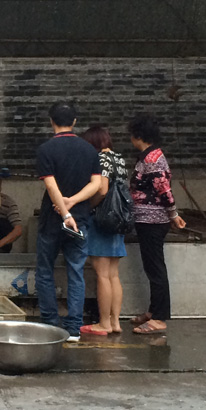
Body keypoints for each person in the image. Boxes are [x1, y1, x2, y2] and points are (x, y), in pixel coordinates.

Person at [35, 102, 101, 338]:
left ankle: (51, 325)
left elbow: (51, 185)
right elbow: (96, 185)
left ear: (51, 120)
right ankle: (73, 329)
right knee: (76, 272)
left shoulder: (46, 150)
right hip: (81, 220)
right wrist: (73, 202)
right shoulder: (89, 150)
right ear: (74, 122)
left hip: (52, 222)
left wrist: (64, 211)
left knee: (45, 271)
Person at [128, 114, 186, 335]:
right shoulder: (148, 157)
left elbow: (164, 190)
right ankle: (154, 310)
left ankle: (160, 318)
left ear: (138, 136)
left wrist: (173, 215)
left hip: (153, 221)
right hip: (146, 219)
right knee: (152, 267)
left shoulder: (153, 159)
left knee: (156, 269)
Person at [79, 125, 128, 336]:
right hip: (118, 220)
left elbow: (102, 189)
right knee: (114, 274)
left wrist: (89, 205)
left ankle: (103, 323)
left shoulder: (101, 159)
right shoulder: (119, 159)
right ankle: (115, 322)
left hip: (101, 220)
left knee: (102, 274)